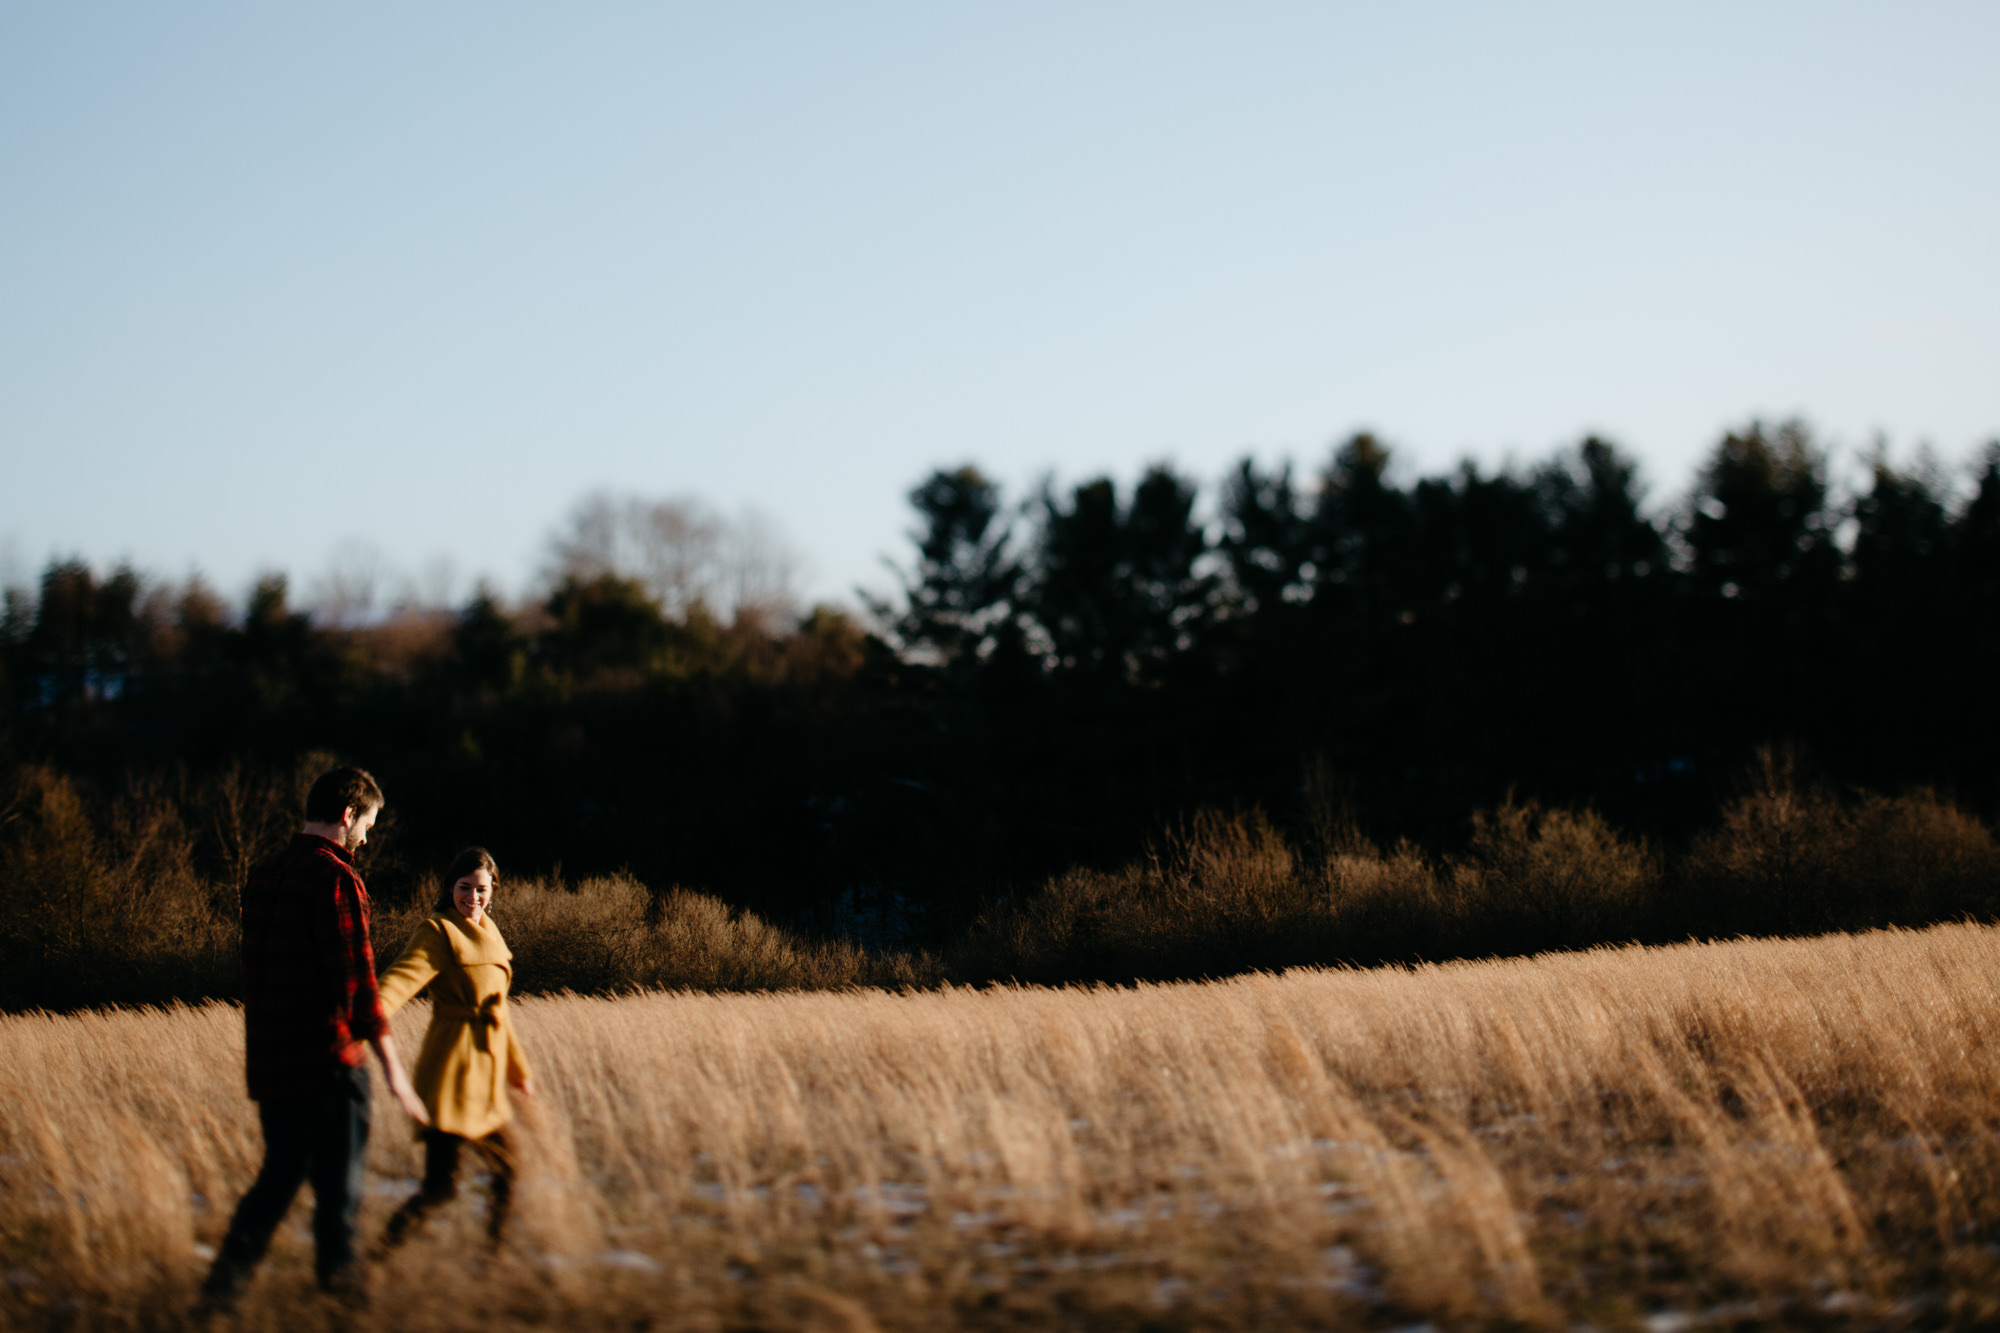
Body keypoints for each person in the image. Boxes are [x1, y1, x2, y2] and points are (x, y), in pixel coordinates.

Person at [201, 766, 430, 1311]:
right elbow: (358, 986)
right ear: (348, 815)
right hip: (328, 1067)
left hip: (273, 1066)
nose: (368, 838)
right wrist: (397, 1074)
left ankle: (218, 1296)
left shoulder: (263, 876)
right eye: (368, 825)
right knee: (340, 1198)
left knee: (277, 1181)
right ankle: (343, 1304)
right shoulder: (336, 879)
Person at [373, 845, 536, 1253]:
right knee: (440, 1189)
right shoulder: (439, 931)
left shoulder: (492, 934)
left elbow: (500, 1014)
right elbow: (399, 981)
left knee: (509, 1170)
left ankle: (491, 1261)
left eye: (482, 889)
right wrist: (368, 1016)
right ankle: (374, 1259)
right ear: (451, 888)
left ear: (493, 891)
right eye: (465, 888)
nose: (473, 898)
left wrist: (519, 1070)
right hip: (450, 1074)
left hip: (486, 1076)